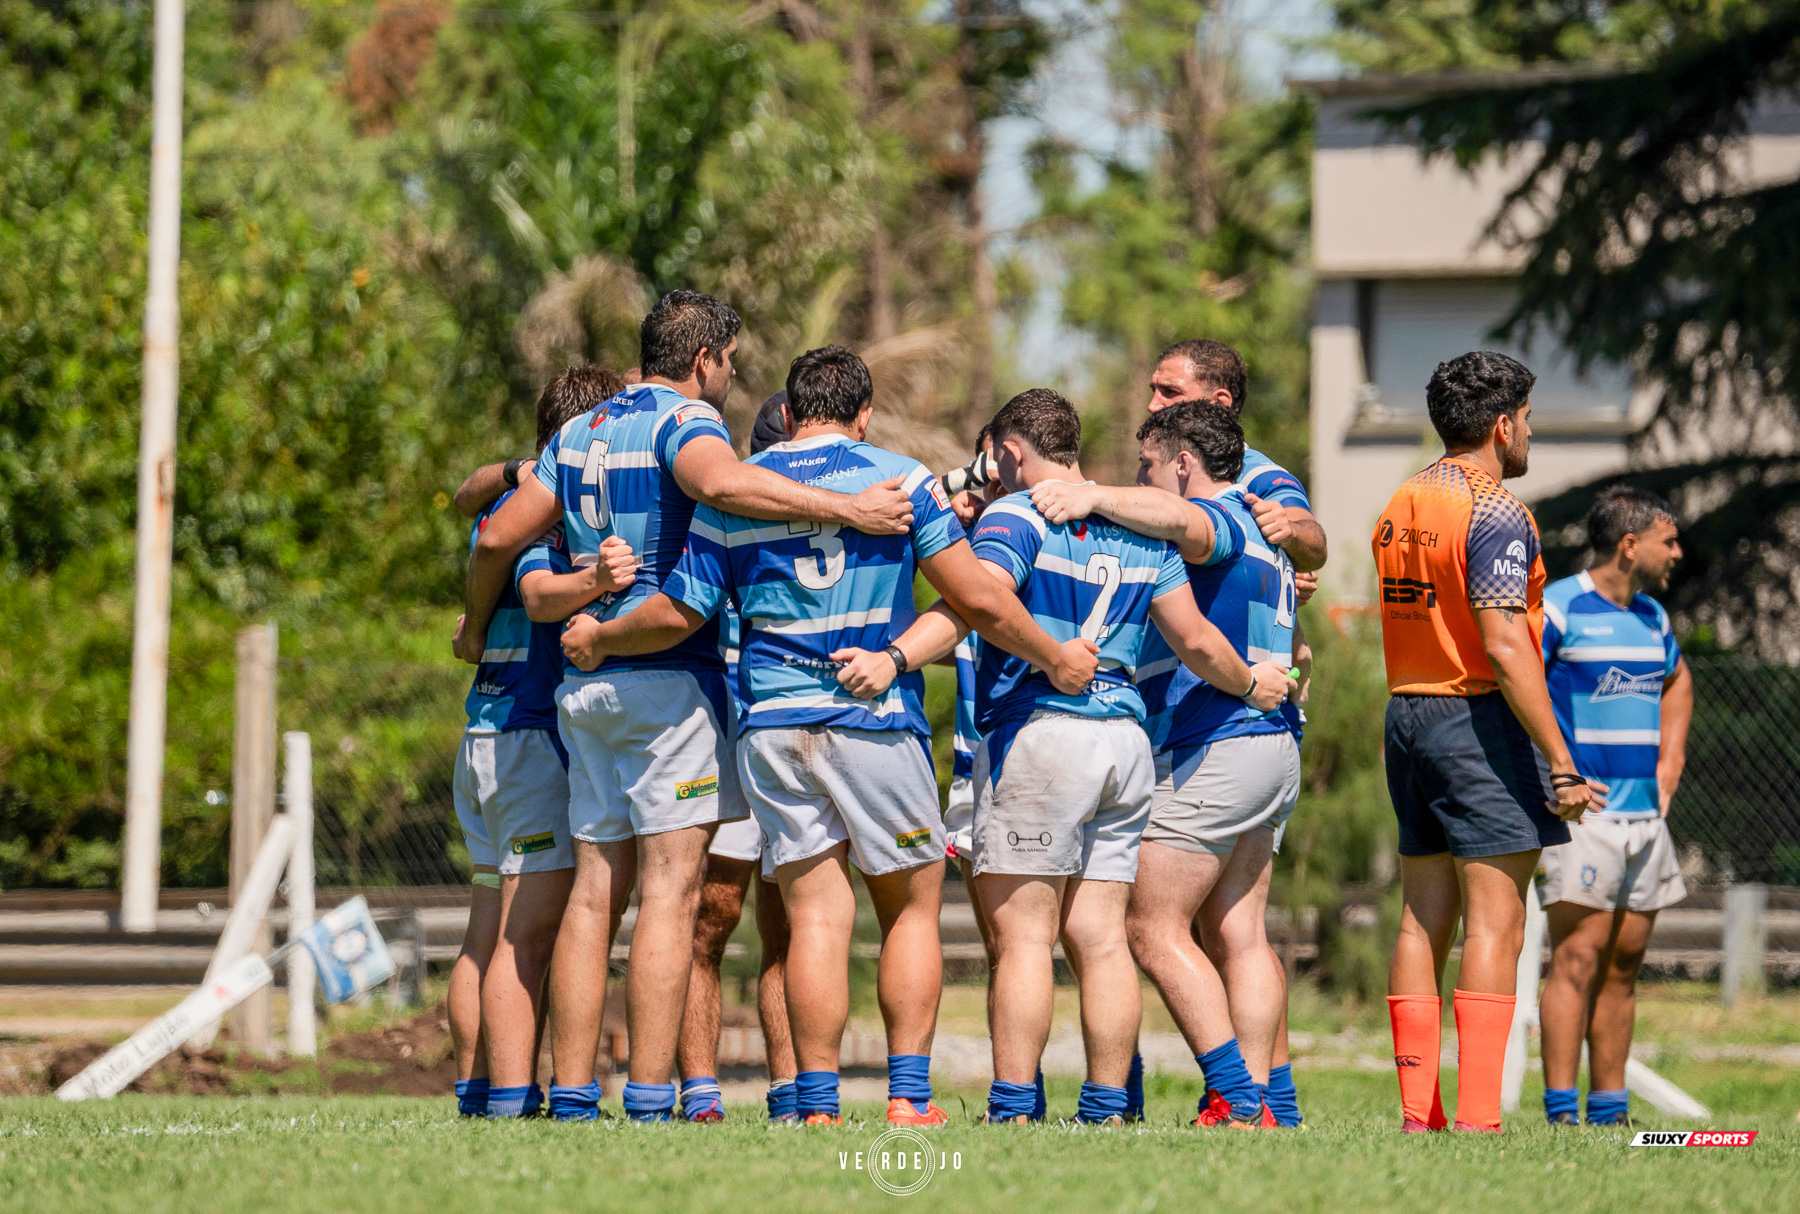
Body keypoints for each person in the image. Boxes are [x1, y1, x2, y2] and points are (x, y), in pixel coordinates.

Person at [562, 350, 1101, 1127]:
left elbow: (681, 611)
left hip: (773, 725)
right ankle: (908, 1099)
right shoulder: (901, 478)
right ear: (864, 413)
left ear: (788, 410)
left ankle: (814, 1104)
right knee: (909, 913)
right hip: (873, 722)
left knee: (815, 916)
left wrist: (603, 637)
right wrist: (1053, 654)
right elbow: (977, 598)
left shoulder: (742, 490)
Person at [456, 292, 916, 1124]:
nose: (731, 376)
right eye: (730, 362)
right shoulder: (683, 420)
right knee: (670, 893)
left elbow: (494, 537)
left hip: (582, 688)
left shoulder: (579, 432)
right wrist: (849, 508)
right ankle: (648, 1097)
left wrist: (478, 625)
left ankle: (569, 1099)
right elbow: (723, 483)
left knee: (596, 891)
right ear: (704, 359)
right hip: (665, 677)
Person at [874, 389, 1292, 1126]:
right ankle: (1107, 1107)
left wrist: (897, 657)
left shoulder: (1016, 514)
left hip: (1044, 733)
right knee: (1102, 940)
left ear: (1009, 452)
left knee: (1025, 936)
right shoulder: (1135, 527)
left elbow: (983, 603)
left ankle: (1011, 1108)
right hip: (1125, 743)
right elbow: (1194, 639)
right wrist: (1255, 680)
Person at [1031, 402, 1303, 1129]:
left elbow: (1186, 524)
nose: (1141, 481)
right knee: (1239, 933)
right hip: (1273, 746)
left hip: (1220, 738)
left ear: (1183, 463)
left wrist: (1091, 496)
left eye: (1149, 467)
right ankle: (1267, 1105)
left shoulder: (1220, 519)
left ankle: (1238, 1097)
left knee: (1151, 927)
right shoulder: (1266, 536)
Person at [1373, 350, 1604, 1134]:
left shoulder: (1403, 498)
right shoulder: (1498, 510)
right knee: (1495, 925)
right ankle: (1477, 1123)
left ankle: (1419, 1117)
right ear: (1503, 425)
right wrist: (1563, 761)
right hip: (1474, 721)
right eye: (1530, 419)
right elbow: (1505, 644)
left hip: (1406, 715)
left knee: (1419, 919)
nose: (1531, 433)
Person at [447, 365, 624, 1118]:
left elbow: (465, 499)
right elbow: (523, 576)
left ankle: (477, 1093)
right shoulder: (550, 518)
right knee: (528, 934)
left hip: (483, 734)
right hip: (525, 736)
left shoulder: (513, 494)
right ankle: (515, 1099)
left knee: (487, 924)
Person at [1538, 486, 1690, 1127]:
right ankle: (1559, 1115)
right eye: (1668, 540)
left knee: (1624, 965)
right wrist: (1557, 772)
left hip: (1645, 821)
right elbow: (1516, 682)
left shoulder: (1654, 618)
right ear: (1630, 545)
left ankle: (1609, 1114)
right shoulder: (1559, 609)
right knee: (1576, 960)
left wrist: (1670, 762)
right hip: (1586, 818)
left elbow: (1679, 680)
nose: (1677, 552)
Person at [678, 391, 798, 1125]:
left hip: (792, 735)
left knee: (792, 924)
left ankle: (795, 1094)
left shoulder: (832, 507)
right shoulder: (724, 508)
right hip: (719, 732)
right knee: (708, 919)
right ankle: (699, 1093)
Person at [1146, 339, 1327, 580]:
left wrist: (1289, 533)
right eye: (1154, 390)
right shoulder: (1156, 467)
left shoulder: (1256, 473)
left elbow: (1316, 547)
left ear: (1219, 404)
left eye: (1170, 392)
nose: (1153, 405)